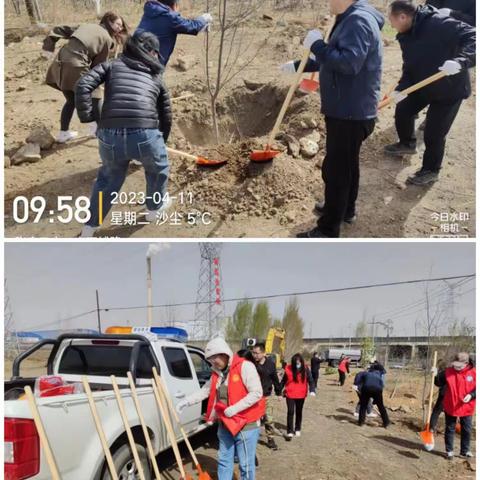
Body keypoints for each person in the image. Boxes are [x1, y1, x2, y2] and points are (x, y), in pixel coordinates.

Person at [282, 0, 383, 238]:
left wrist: (317, 44)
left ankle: (328, 229)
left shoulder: (358, 21)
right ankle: (345, 209)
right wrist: (300, 65)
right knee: (347, 164)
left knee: (336, 171)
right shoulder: (350, 17)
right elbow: (336, 57)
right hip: (350, 106)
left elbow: (348, 63)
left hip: (349, 110)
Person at [75, 31, 172, 238]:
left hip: (109, 136)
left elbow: (83, 85)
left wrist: (90, 120)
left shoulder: (111, 65)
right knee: (158, 169)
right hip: (145, 134)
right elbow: (166, 114)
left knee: (108, 180)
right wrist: (160, 143)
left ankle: (89, 228)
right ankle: (154, 210)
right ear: (152, 53)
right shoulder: (155, 76)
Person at [383, 1, 476, 185]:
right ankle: (407, 144)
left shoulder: (440, 23)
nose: (391, 25)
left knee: (434, 134)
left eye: (392, 20)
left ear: (403, 17)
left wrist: (461, 61)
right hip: (423, 84)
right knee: (403, 110)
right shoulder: (405, 35)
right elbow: (409, 67)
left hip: (449, 89)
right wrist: (401, 89)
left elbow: (475, 36)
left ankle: (430, 170)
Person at [176, 337, 264, 480]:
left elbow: (257, 393)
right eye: (210, 360)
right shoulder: (217, 373)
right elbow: (205, 391)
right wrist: (186, 401)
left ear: (224, 354)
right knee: (224, 461)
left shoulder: (245, 367)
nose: (213, 362)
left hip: (246, 425)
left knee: (246, 465)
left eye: (214, 358)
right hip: (225, 424)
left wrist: (234, 408)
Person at [43, 12, 126, 143]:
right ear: (109, 22)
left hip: (60, 64)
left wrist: (48, 45)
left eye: (121, 26)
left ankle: (63, 133)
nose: (120, 28)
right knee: (96, 95)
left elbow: (60, 29)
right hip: (76, 65)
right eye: (118, 24)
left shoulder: (85, 26)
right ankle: (99, 131)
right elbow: (98, 67)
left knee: (70, 100)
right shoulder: (106, 38)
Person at [136, 0, 213, 66]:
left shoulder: (150, 12)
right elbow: (192, 26)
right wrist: (204, 18)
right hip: (149, 67)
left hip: (132, 60)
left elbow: (164, 28)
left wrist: (201, 28)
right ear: (174, 5)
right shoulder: (170, 17)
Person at [434, 352, 475, 460]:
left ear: (466, 363)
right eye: (455, 365)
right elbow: (438, 383)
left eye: (459, 366)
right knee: (450, 428)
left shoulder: (474, 372)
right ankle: (449, 451)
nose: (456, 367)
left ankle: (465, 451)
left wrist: (471, 395)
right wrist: (435, 375)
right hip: (450, 404)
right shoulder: (447, 372)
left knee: (466, 429)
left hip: (466, 406)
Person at [251, 343, 282, 450]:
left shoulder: (270, 364)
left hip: (266, 396)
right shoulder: (251, 364)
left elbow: (275, 379)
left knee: (269, 419)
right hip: (252, 397)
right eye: (253, 353)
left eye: (257, 353)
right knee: (254, 421)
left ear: (263, 353)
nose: (254, 355)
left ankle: (270, 439)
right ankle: (251, 441)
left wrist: (279, 393)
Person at [280, 353, 316, 439]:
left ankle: (297, 428)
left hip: (301, 394)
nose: (298, 363)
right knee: (291, 411)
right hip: (290, 393)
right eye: (296, 362)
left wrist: (312, 390)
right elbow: (283, 381)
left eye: (299, 361)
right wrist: (278, 392)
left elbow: (311, 380)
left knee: (299, 412)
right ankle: (290, 430)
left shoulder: (306, 369)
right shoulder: (288, 368)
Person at [356, 362, 390, 428]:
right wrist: (376, 400)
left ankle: (361, 422)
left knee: (363, 406)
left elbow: (359, 380)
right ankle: (386, 423)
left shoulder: (366, 373)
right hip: (377, 390)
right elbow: (381, 386)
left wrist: (359, 388)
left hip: (366, 389)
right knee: (381, 407)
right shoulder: (380, 374)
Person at [430, 358, 448, 433]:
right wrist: (435, 375)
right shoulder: (449, 371)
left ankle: (432, 428)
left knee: (436, 411)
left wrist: (436, 375)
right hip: (448, 395)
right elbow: (438, 382)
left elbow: (438, 382)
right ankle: (432, 428)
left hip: (445, 395)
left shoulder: (445, 372)